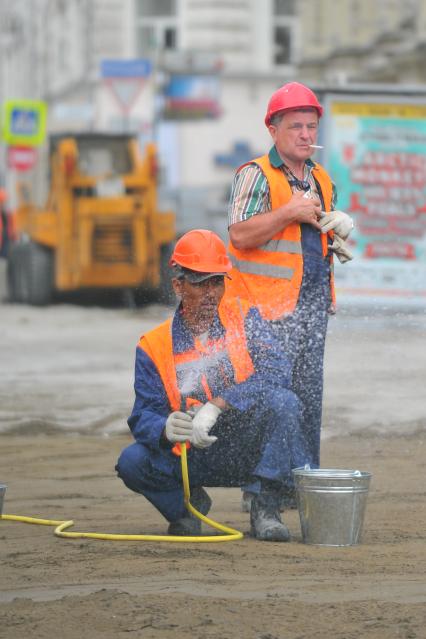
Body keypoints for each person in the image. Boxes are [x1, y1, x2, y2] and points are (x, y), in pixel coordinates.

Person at [116, 229, 311, 542]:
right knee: (132, 462)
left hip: (244, 447)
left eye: (217, 282)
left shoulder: (245, 318)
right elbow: (141, 416)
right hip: (190, 455)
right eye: (199, 283)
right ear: (178, 285)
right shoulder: (154, 346)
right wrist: (165, 427)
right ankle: (185, 509)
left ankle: (265, 506)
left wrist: (220, 403)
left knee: (285, 403)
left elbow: (277, 373)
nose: (210, 293)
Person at [225, 82, 354, 512]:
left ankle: (300, 482)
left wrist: (337, 233)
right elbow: (240, 235)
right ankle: (262, 489)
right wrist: (288, 212)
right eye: (295, 125)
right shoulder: (255, 174)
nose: (304, 133)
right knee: (275, 398)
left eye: (311, 126)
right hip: (264, 312)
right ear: (273, 129)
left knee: (308, 396)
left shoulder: (321, 179)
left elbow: (308, 245)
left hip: (312, 308)